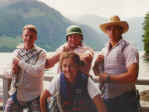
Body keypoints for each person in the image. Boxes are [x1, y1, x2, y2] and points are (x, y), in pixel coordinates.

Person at [93, 16, 140, 112]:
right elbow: (97, 73)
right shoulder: (103, 50)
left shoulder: (129, 49)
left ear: (121, 31)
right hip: (106, 99)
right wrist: (96, 64)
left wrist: (108, 78)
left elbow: (132, 76)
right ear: (106, 32)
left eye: (116, 28)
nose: (112, 31)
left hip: (125, 100)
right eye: (109, 29)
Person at [40, 51, 107, 112]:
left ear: (77, 67)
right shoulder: (58, 79)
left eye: (71, 65)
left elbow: (99, 103)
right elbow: (43, 98)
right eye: (65, 66)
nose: (68, 69)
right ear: (61, 67)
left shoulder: (86, 81)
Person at [4, 24, 47, 112]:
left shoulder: (41, 53)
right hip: (17, 93)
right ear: (22, 36)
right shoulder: (16, 52)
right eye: (26, 35)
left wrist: (19, 62)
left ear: (36, 38)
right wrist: (12, 71)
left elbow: (37, 72)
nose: (28, 38)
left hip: (34, 95)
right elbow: (6, 72)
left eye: (31, 36)